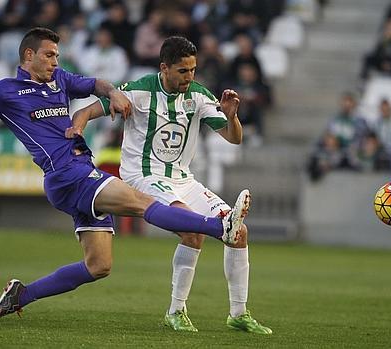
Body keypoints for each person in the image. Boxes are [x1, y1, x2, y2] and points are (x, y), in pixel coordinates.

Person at [0, 28, 251, 322]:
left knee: (98, 266)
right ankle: (220, 228)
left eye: (58, 55)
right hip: (66, 175)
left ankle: (21, 296)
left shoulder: (61, 81)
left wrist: (113, 94)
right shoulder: (5, 92)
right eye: (50, 55)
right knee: (142, 200)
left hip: (80, 172)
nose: (56, 61)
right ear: (29, 55)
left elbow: (96, 84)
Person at [72, 36, 272, 335]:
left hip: (182, 179)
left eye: (193, 70)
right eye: (183, 71)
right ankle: (176, 311)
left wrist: (232, 118)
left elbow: (234, 138)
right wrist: (77, 132)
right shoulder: (138, 91)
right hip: (144, 176)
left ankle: (239, 314)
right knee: (192, 230)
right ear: (164, 68)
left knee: (239, 233)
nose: (189, 77)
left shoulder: (199, 95)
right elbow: (85, 112)